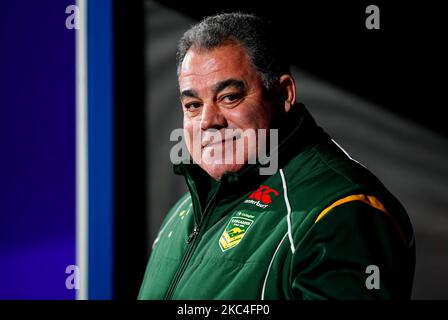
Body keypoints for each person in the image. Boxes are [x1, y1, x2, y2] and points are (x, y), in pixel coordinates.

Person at [138, 12, 415, 300]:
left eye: (230, 97)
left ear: (284, 94)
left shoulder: (342, 210)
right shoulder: (186, 209)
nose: (208, 120)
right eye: (193, 104)